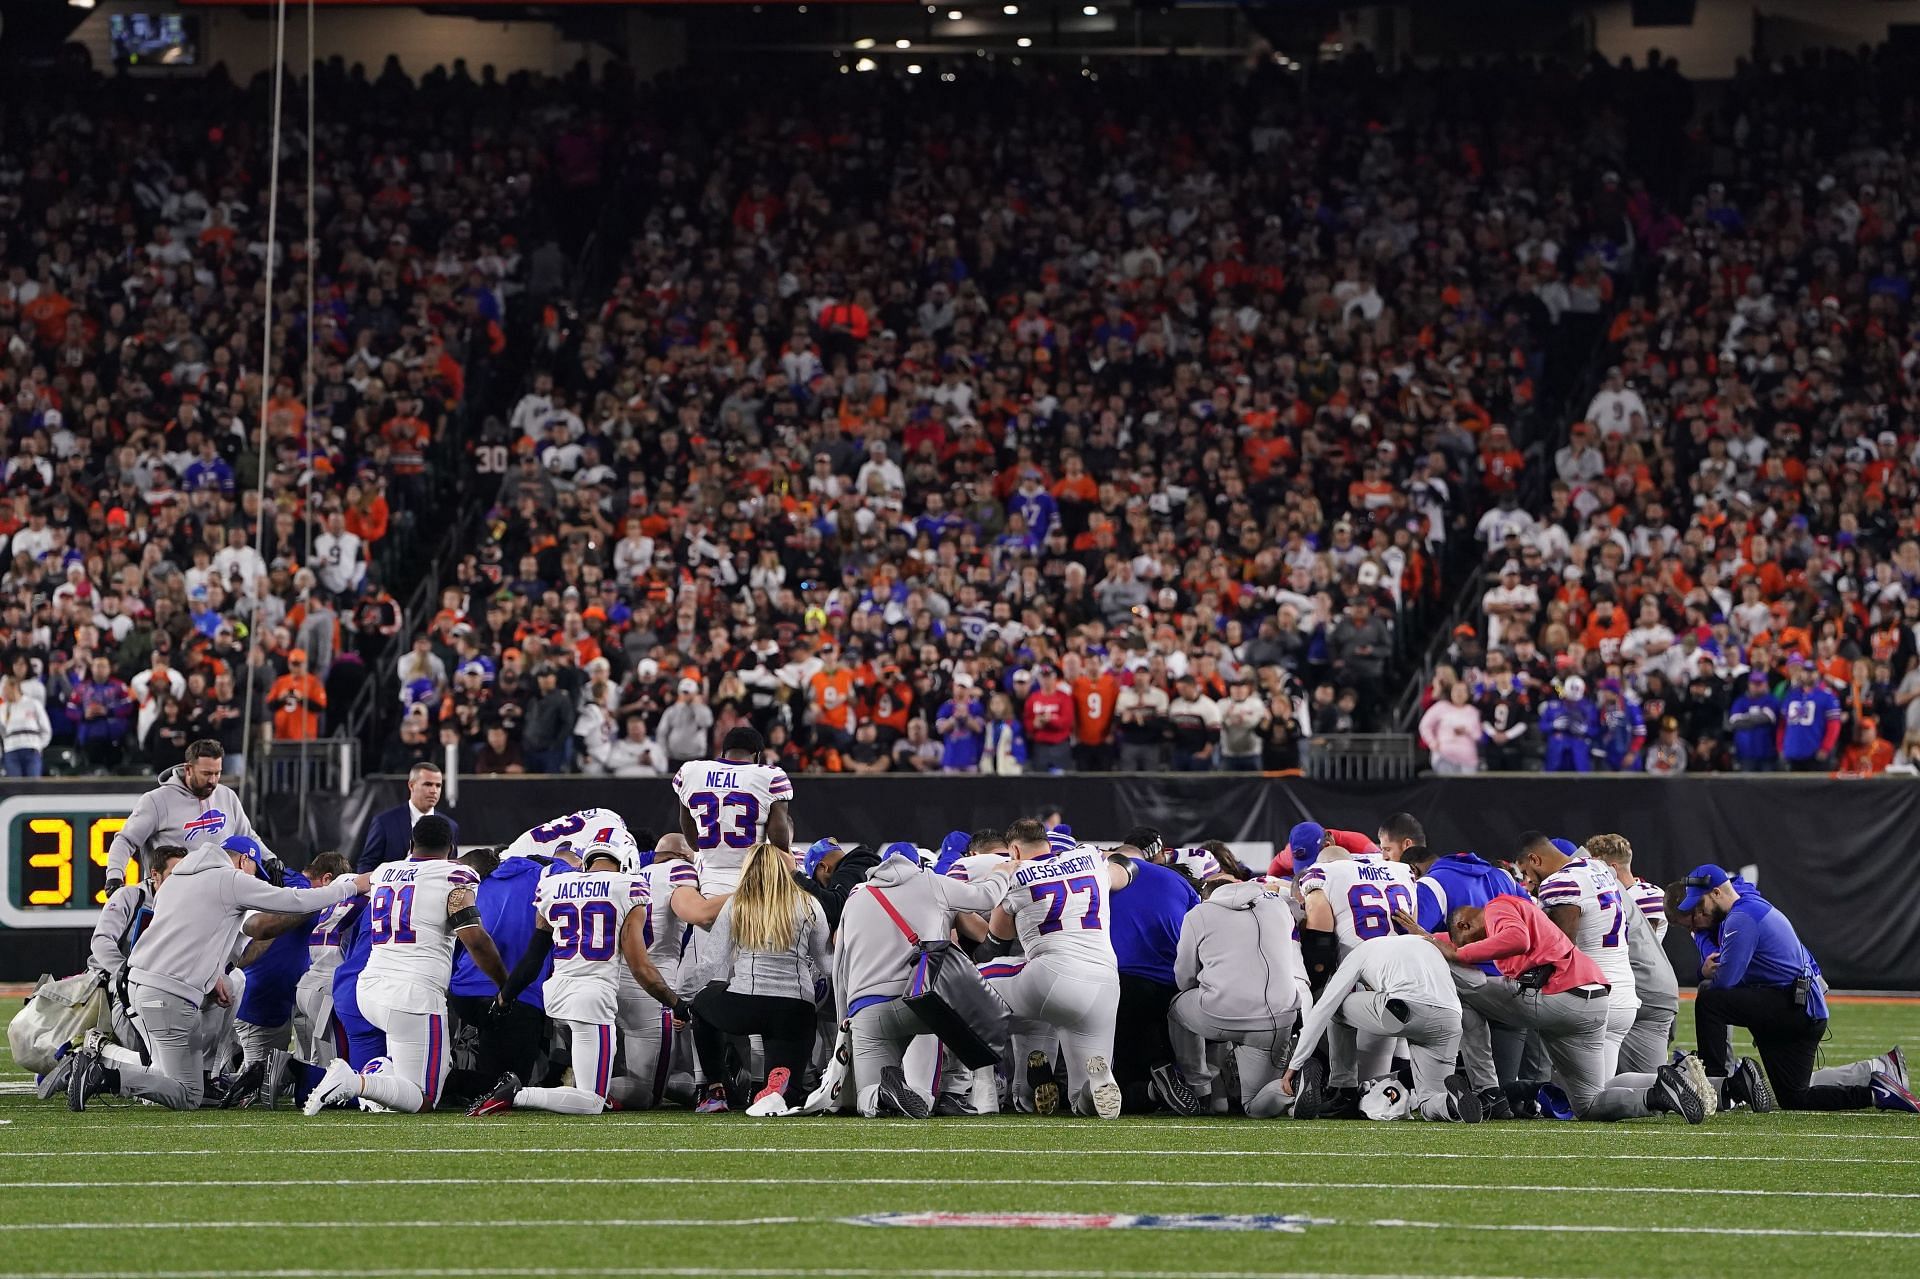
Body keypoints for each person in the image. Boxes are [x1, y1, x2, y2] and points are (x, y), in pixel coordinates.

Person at [63, 837, 369, 1111]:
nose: (252, 878)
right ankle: (103, 1070)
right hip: (167, 995)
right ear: (244, 860)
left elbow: (193, 937)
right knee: (186, 1094)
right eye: (253, 871)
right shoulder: (228, 878)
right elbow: (295, 901)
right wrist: (351, 887)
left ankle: (123, 1064)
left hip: (142, 986)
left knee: (229, 986)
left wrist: (212, 978)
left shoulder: (176, 879)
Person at [1395, 895, 1714, 1124]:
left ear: (1464, 923)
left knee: (1462, 981)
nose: (1462, 946)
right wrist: (1428, 938)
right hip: (1592, 1002)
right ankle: (1660, 1090)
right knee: (1589, 1103)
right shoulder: (1517, 913)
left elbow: (1515, 939)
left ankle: (1488, 1089)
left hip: (1557, 994)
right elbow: (1466, 943)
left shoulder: (1499, 906)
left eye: (1459, 937)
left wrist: (1457, 953)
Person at [303, 815, 511, 1115]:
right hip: (414, 996)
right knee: (425, 1097)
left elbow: (351, 885)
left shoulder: (385, 871)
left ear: (411, 844)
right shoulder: (456, 877)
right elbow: (475, 939)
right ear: (451, 849)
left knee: (407, 1082)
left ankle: (372, 1078)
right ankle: (355, 1082)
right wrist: (504, 983)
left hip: (369, 989)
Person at [1676, 864, 1917, 1112]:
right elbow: (1738, 883)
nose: (1698, 913)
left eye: (1700, 904)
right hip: (1804, 1009)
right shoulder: (1746, 900)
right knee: (1794, 1098)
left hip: (1790, 1008)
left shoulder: (1741, 918)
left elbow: (1726, 980)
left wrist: (1701, 954)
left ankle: (1715, 1084)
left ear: (1716, 893)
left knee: (1710, 998)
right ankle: (1877, 1094)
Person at [469, 840, 681, 1116]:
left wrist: (505, 996)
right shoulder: (628, 888)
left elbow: (534, 956)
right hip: (593, 997)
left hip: (558, 995)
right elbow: (641, 968)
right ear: (626, 862)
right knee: (592, 1101)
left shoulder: (553, 885)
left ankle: (532, 1093)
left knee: (588, 1086)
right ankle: (518, 1095)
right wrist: (676, 1003)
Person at [833, 844, 1015, 1118]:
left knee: (866, 1098)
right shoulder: (931, 882)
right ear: (918, 866)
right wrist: (1003, 872)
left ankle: (881, 1095)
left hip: (867, 1008)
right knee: (962, 1008)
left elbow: (840, 967)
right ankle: (959, 1089)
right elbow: (987, 897)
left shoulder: (856, 898)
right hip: (921, 1004)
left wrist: (844, 1019)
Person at [981, 818, 1129, 1119]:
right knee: (1081, 1100)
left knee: (965, 981)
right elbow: (1124, 872)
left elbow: (998, 935)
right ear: (1047, 844)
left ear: (1014, 850)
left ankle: (978, 1088)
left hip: (1052, 974)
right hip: (1104, 983)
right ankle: (1095, 1086)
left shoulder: (1017, 872)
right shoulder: (1087, 857)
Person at [685, 840, 831, 1114]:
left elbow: (711, 961)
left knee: (703, 1001)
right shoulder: (809, 903)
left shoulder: (738, 903)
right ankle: (779, 1084)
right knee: (790, 1097)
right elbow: (826, 963)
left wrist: (682, 999)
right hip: (795, 1008)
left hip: (746, 1003)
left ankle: (715, 1089)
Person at [1283, 933, 1480, 1123]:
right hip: (1450, 1020)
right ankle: (1450, 1103)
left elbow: (1323, 1007)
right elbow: (1477, 981)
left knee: (1335, 1006)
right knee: (1428, 1102)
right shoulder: (1427, 943)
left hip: (1402, 1010)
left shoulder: (1360, 952)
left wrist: (1295, 1064)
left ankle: (1343, 1091)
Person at [1296, 820, 1416, 1113]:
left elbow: (1320, 938)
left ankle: (1342, 1086)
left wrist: (1315, 979)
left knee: (1333, 1000)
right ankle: (1409, 1083)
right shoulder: (1400, 871)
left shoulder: (1322, 875)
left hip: (1368, 983)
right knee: (1382, 1082)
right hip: (1414, 983)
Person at [1170, 875, 1303, 1118]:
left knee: (1176, 1008)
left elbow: (1184, 978)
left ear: (1207, 897)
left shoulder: (1199, 914)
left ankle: (1201, 1089)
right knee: (1255, 1107)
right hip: (1277, 1019)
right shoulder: (1278, 906)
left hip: (1219, 1015)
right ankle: (1292, 1088)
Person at [1514, 833, 1639, 1076]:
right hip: (1623, 994)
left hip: (1594, 997)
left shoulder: (1560, 883)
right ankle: (1663, 1084)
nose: (1528, 879)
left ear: (1534, 859)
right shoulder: (1598, 868)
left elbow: (1562, 948)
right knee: (1599, 1094)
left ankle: (1660, 1089)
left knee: (1587, 1099)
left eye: (1526, 871)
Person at [1104, 843, 1203, 1114]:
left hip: (1123, 981)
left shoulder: (1101, 876)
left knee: (1123, 1079)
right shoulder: (1179, 883)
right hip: (1175, 986)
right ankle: (1184, 1084)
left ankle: (1152, 1090)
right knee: (1161, 1046)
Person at [106, 739, 259, 893]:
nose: (212, 780)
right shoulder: (157, 801)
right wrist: (114, 876)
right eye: (206, 774)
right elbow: (125, 840)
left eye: (217, 773)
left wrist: (270, 860)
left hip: (219, 897)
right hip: (172, 898)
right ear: (188, 769)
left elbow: (248, 838)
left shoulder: (227, 796)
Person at [1583, 834, 1678, 1074]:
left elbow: (1639, 945)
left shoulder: (1645, 896)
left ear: (1611, 867)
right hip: (1635, 987)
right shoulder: (1619, 894)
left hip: (1637, 986)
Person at [672, 726, 795, 899]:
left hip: (709, 880)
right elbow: (779, 840)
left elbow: (689, 831)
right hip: (752, 877)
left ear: (723, 753)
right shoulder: (770, 776)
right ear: (758, 755)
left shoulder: (691, 772)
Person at [355, 763, 456, 873]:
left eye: (438, 785)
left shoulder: (451, 826)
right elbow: (367, 864)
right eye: (428, 784)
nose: (434, 791)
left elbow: (451, 867)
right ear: (411, 786)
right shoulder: (384, 822)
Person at [0, 674, 52, 776]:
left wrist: (38, 746)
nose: (3, 693)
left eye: (5, 689)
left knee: (33, 786)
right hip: (11, 751)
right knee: (15, 787)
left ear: (14, 687)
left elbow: (46, 729)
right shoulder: (2, 709)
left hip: (31, 750)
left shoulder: (33, 704)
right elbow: (2, 732)